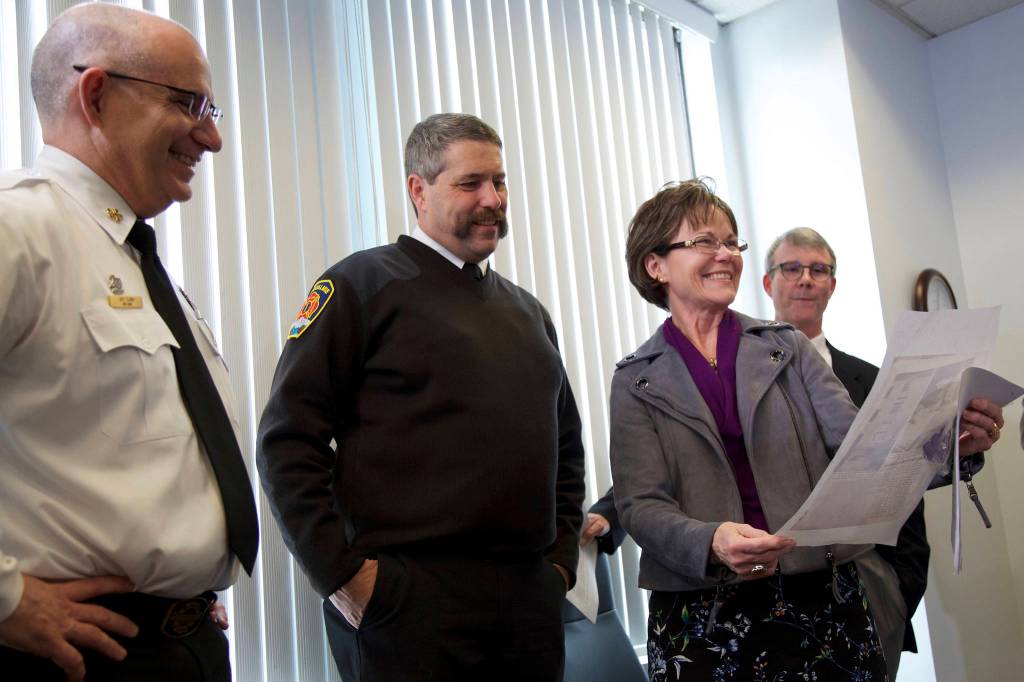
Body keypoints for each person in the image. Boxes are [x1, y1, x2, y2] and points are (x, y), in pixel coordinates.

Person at [609, 179, 1003, 681]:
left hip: (821, 606)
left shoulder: (788, 347)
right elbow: (640, 506)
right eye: (704, 241)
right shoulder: (634, 379)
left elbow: (862, 450)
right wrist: (712, 542)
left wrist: (951, 445)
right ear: (655, 265)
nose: (726, 254)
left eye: (732, 242)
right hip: (702, 622)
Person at [256, 113, 585, 681]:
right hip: (407, 606)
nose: (493, 198)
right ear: (418, 189)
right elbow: (287, 441)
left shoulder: (529, 314)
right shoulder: (360, 286)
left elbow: (566, 449)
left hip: (526, 604)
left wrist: (558, 564)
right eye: (470, 183)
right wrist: (345, 580)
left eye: (500, 182)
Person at [0, 4, 259, 682]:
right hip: (80, 657)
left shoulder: (130, 257)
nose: (211, 138)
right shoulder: (17, 232)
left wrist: (185, 585)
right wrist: (4, 601)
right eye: (190, 104)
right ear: (96, 94)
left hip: (182, 640)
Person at [763, 227, 927, 677]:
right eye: (791, 268)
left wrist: (899, 587)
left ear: (832, 286)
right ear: (768, 283)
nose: (806, 279)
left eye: (819, 270)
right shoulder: (741, 382)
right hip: (772, 594)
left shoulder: (873, 380)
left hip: (871, 586)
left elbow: (905, 481)